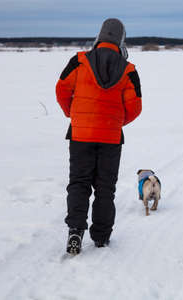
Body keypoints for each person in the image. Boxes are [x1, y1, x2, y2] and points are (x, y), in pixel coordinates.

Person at [56, 18, 142, 254]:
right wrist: (115, 123)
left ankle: (75, 231)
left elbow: (61, 88)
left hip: (80, 134)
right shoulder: (128, 69)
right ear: (121, 39)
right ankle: (102, 237)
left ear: (100, 36)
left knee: (79, 183)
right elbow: (135, 106)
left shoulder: (79, 61)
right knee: (105, 188)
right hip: (111, 138)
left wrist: (73, 115)